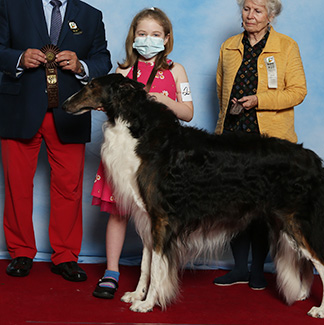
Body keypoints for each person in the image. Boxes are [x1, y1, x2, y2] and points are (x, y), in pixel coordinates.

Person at [0, 0, 112, 281]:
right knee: (17, 185)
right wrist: (18, 58)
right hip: (20, 109)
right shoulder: (10, 6)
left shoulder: (91, 15)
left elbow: (103, 59)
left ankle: (65, 256)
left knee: (69, 188)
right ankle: (21, 252)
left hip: (70, 112)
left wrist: (81, 65)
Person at [91, 7, 194, 299]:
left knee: (155, 214)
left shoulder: (176, 71)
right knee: (117, 211)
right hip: (124, 156)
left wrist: (163, 100)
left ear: (166, 38)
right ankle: (111, 271)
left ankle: (155, 274)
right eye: (142, 34)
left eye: (155, 35)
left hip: (158, 156)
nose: (148, 40)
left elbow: (188, 112)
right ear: (133, 37)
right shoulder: (122, 73)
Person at [214, 0, 307, 289]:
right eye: (246, 9)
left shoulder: (286, 46)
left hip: (268, 143)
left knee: (264, 208)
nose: (250, 15)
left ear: (271, 16)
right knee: (233, 207)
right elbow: (220, 88)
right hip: (232, 139)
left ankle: (257, 270)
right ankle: (239, 268)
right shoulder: (229, 46)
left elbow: (298, 91)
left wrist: (259, 101)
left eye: (258, 10)